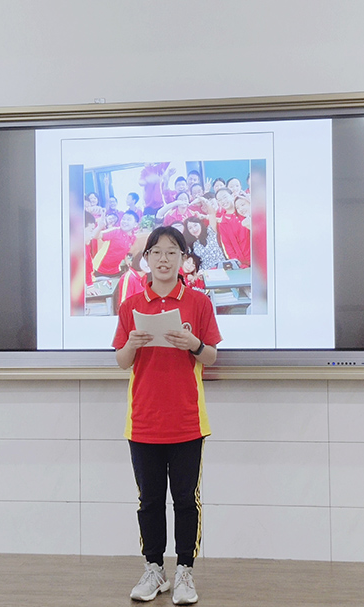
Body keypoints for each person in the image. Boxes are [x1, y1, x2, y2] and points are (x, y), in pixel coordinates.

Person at [113, 225, 222, 605]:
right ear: (146, 259)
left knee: (186, 501)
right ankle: (154, 569)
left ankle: (185, 572)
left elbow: (212, 356)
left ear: (183, 259)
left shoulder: (198, 303)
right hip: (143, 420)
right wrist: (131, 343)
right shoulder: (131, 305)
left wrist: (194, 344)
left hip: (187, 421)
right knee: (149, 501)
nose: (164, 259)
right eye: (156, 252)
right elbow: (121, 361)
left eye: (172, 252)